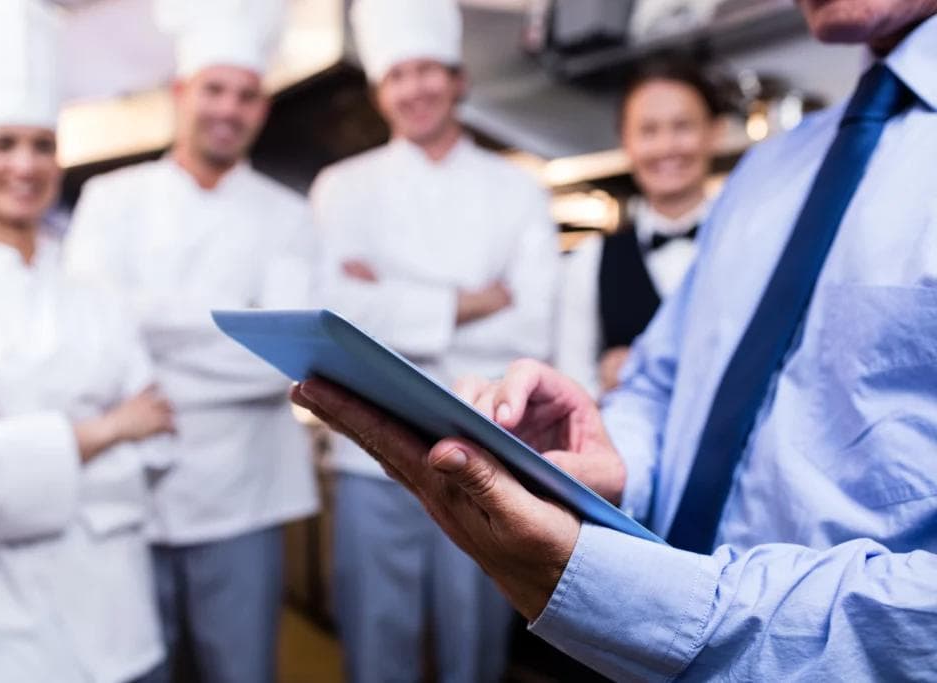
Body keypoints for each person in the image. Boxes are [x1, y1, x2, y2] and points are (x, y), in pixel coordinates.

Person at [290, 1, 937, 679]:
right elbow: (662, 381)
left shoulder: (520, 190)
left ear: (460, 81)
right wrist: (621, 461)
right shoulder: (765, 176)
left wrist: (668, 608)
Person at [0, 1, 175, 680]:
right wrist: (106, 428)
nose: (26, 164)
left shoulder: (94, 293)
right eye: (3, 143)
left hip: (118, 632)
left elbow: (160, 441)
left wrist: (9, 438)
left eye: (41, 143)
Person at [63, 1, 318, 680]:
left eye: (247, 94)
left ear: (262, 107)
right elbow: (91, 343)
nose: (229, 108)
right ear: (180, 93)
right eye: (215, 88)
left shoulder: (289, 217)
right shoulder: (109, 199)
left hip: (244, 499)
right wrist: (236, 319)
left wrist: (148, 327)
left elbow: (283, 362)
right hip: (126, 501)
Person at [307, 1, 560, 681]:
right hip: (369, 452)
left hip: (484, 454)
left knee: (473, 647)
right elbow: (334, 322)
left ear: (458, 79)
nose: (413, 89)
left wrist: (391, 298)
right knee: (374, 643)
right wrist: (473, 300)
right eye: (396, 75)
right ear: (379, 92)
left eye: (427, 71)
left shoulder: (519, 190)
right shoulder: (341, 187)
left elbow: (532, 330)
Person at [557, 60, 724, 396]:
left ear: (716, 132)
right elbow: (573, 388)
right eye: (648, 131)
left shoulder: (756, 245)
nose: (666, 147)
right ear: (626, 142)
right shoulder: (589, 261)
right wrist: (608, 385)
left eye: (682, 126)